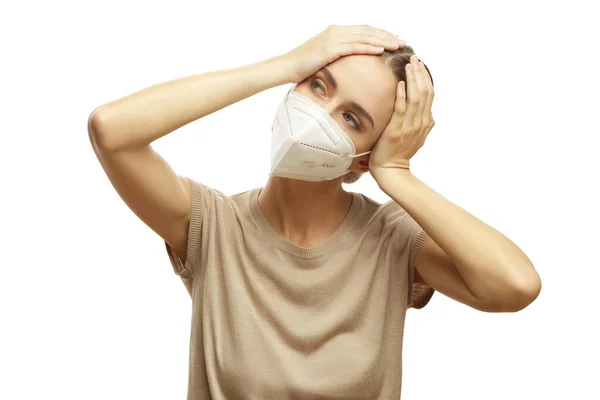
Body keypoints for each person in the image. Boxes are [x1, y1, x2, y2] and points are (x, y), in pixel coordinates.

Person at [88, 24, 542, 399]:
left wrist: (398, 174)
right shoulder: (212, 226)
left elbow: (515, 285)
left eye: (352, 119)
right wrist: (282, 65)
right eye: (318, 86)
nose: (317, 115)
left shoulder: (392, 239)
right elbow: (110, 129)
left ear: (365, 158)